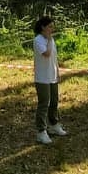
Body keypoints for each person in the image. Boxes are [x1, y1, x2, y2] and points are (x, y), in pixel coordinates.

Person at [33, 16, 67, 144]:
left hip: (52, 76)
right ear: (43, 27)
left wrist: (58, 72)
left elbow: (54, 57)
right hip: (42, 78)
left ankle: (54, 125)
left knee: (54, 101)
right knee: (44, 103)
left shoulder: (50, 40)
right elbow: (46, 54)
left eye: (52, 27)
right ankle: (41, 132)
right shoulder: (38, 40)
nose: (52, 29)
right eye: (50, 27)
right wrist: (48, 40)